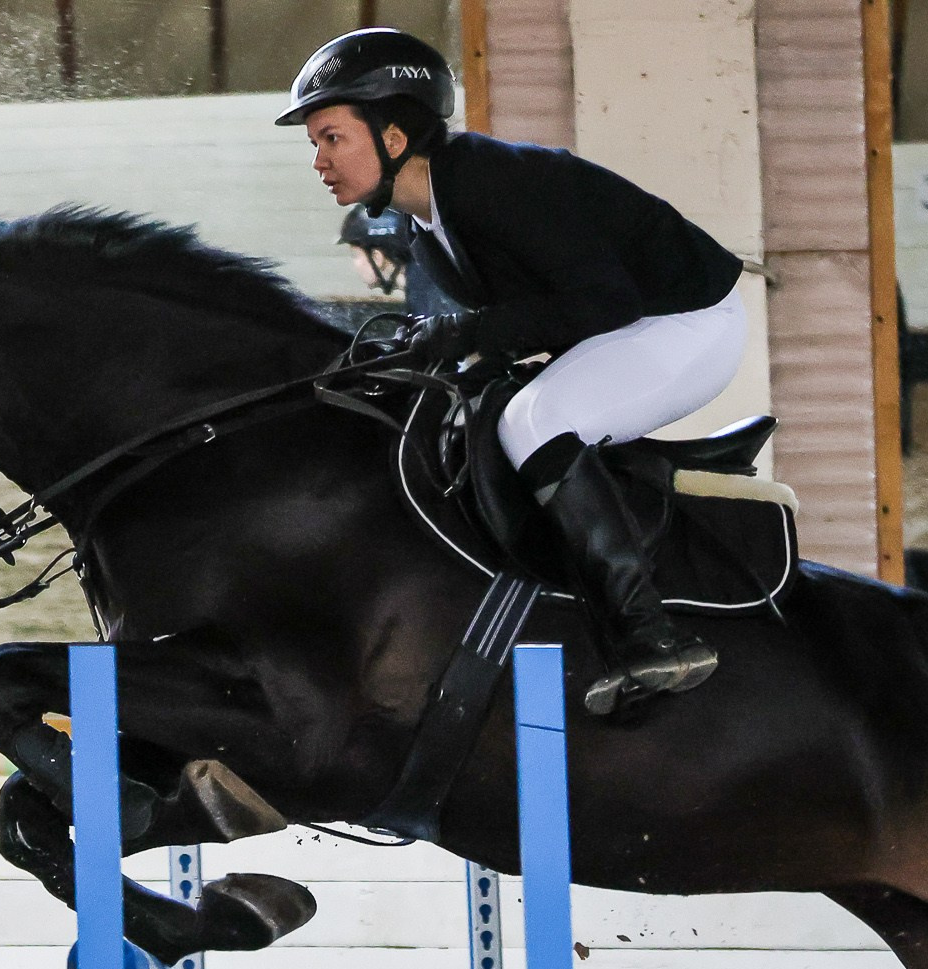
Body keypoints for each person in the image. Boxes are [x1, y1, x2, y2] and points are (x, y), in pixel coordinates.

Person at [281, 28, 747, 714]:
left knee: (539, 419)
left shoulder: (490, 179)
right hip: (634, 323)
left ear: (394, 137)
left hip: (691, 320)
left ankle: (652, 636)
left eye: (331, 138)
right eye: (315, 144)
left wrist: (466, 333)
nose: (319, 161)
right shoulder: (426, 227)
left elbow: (604, 301)